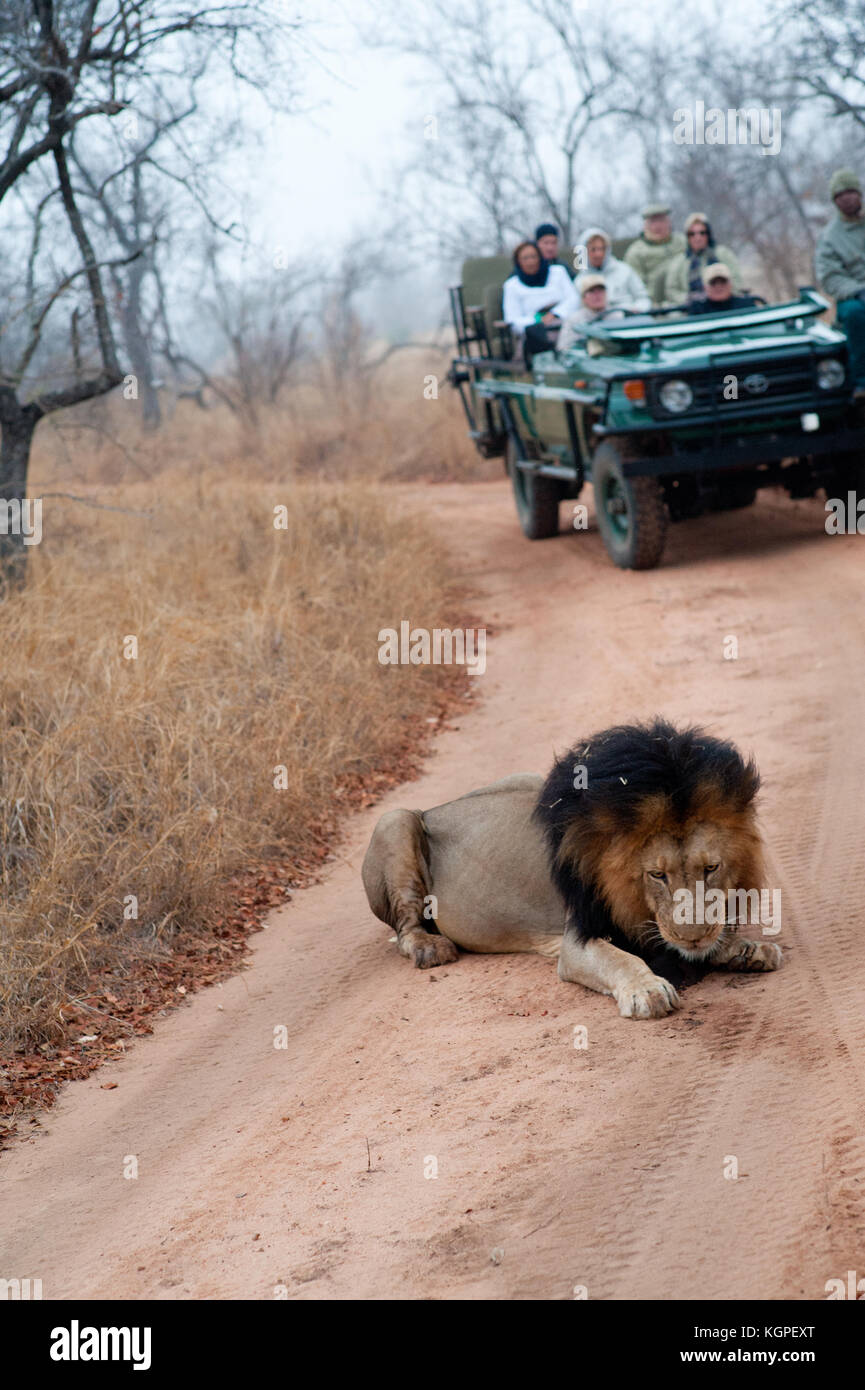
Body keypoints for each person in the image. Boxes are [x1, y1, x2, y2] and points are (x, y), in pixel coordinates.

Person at [815, 167, 865, 395]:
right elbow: (829, 277)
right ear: (835, 200)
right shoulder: (830, 237)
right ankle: (861, 382)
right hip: (853, 297)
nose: (847, 198)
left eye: (851, 192)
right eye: (841, 195)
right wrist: (858, 291)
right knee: (855, 315)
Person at [502, 240, 578, 364]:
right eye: (525, 258)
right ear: (518, 262)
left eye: (533, 256)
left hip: (563, 321)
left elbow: (573, 299)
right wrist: (538, 320)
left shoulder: (558, 272)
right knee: (536, 335)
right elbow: (512, 319)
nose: (531, 261)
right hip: (535, 330)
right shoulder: (511, 285)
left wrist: (555, 314)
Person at [656, 212, 743, 305]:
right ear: (687, 237)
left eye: (702, 233)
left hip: (725, 303)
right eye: (692, 234)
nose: (698, 237)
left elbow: (737, 282)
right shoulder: (679, 261)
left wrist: (718, 294)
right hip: (691, 307)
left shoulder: (723, 254)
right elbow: (671, 290)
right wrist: (688, 298)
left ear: (708, 234)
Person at [573, 227, 650, 311]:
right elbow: (578, 310)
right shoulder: (580, 281)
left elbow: (643, 298)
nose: (598, 254)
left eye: (601, 249)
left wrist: (638, 309)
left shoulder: (625, 271)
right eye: (593, 249)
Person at [624, 202, 686, 305]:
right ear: (645, 226)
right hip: (654, 302)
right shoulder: (636, 252)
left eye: (661, 221)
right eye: (652, 222)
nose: (658, 226)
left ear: (668, 222)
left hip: (683, 297)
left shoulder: (682, 242)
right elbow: (634, 284)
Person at [558, 274, 625, 353]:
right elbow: (564, 349)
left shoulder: (618, 315)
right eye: (592, 291)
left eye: (600, 290)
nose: (597, 295)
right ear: (584, 298)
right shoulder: (574, 320)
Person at [686, 263, 758, 314]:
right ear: (705, 287)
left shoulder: (746, 306)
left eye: (723, 281)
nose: (718, 286)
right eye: (713, 282)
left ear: (730, 284)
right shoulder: (697, 311)